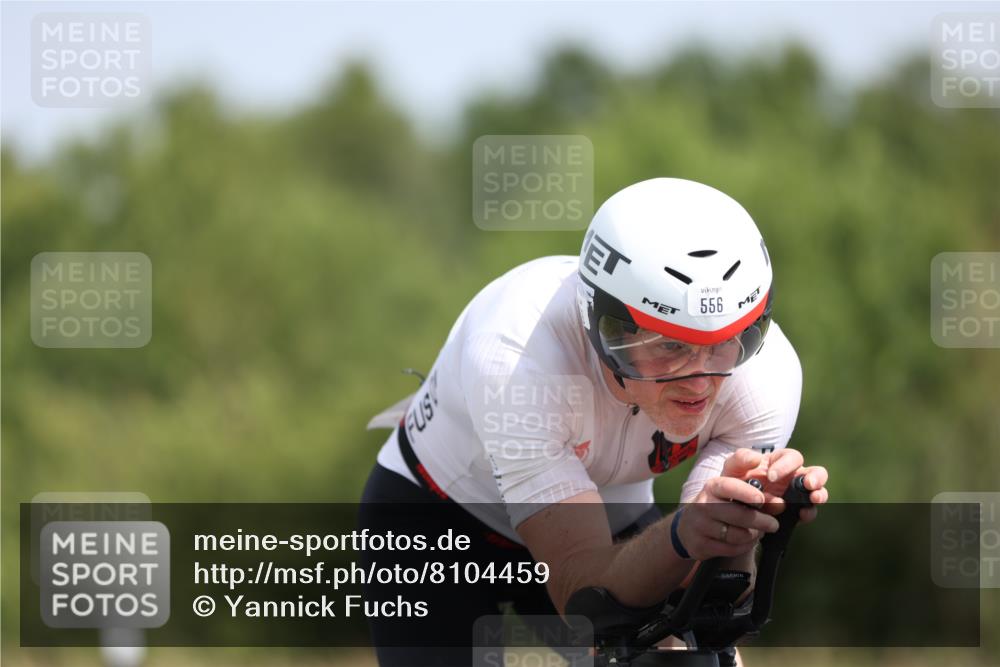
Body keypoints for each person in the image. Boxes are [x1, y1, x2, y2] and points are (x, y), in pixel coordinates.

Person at [359, 177, 829, 666]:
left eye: (726, 343)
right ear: (601, 327)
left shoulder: (765, 375)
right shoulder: (519, 355)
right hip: (439, 516)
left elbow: (713, 597)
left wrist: (740, 528)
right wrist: (682, 534)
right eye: (670, 347)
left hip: (606, 504)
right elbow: (581, 597)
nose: (700, 382)